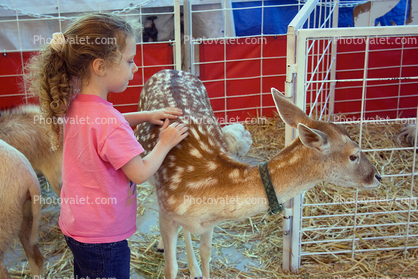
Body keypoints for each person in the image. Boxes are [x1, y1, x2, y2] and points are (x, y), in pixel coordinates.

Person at [25, 13, 188, 279]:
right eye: (129, 60)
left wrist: (146, 115)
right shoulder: (108, 122)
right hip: (104, 239)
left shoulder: (74, 104)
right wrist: (165, 143)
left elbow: (102, 130)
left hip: (77, 227)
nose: (134, 68)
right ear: (100, 66)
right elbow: (140, 172)